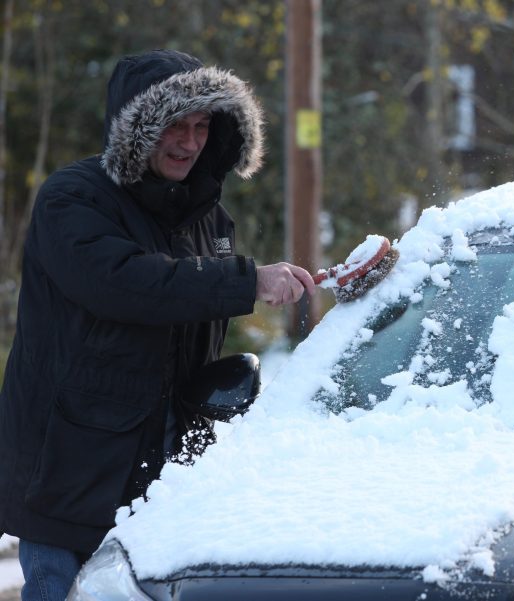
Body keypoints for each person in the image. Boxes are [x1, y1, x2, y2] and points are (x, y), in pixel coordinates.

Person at [0, 49, 316, 600]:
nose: (189, 142)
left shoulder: (209, 219)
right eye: (174, 125)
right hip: (70, 483)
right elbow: (127, 284)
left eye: (201, 126)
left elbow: (183, 336)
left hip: (164, 492)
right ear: (134, 130)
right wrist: (249, 282)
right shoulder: (72, 199)